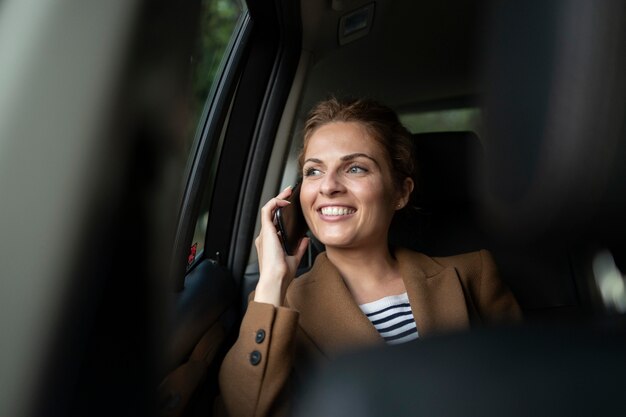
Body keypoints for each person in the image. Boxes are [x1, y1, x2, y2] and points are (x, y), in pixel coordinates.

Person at [217, 97, 522, 417]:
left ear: (401, 192)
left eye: (355, 168)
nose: (329, 186)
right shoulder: (277, 308)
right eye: (314, 171)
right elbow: (242, 411)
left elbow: (528, 389)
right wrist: (272, 282)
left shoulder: (475, 273)